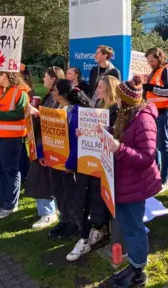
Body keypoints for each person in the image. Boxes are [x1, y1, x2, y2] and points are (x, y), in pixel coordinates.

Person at [105, 75, 162, 287]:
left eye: (119, 97)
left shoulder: (143, 120)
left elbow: (147, 158)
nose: (115, 100)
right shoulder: (126, 115)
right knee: (128, 225)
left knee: (134, 227)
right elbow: (119, 134)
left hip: (135, 184)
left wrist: (119, 149)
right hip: (123, 182)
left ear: (126, 100)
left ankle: (138, 273)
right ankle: (134, 265)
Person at [67, 78, 118, 262]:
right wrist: (82, 132)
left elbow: (118, 134)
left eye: (100, 87)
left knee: (98, 196)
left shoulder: (115, 110)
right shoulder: (95, 105)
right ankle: (85, 235)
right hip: (88, 158)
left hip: (104, 162)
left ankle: (97, 229)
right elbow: (89, 129)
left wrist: (107, 130)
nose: (96, 90)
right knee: (83, 195)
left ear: (109, 90)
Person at [0, 71, 29, 219]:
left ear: (5, 75)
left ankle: (11, 203)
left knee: (10, 170)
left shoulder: (20, 93)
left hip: (11, 138)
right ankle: (1, 201)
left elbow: (19, 114)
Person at [25, 67, 64, 229]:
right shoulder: (50, 94)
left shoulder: (57, 96)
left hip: (51, 144)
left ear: (54, 78)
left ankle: (49, 212)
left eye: (46, 77)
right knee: (41, 177)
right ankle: (46, 210)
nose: (43, 79)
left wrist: (37, 114)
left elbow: (55, 119)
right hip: (43, 142)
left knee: (44, 179)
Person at [47, 79, 85, 239]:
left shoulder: (75, 112)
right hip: (54, 159)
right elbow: (48, 132)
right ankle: (64, 218)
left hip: (67, 162)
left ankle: (75, 223)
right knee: (58, 190)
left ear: (62, 95)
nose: (51, 92)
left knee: (70, 192)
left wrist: (71, 163)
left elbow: (76, 141)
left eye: (54, 90)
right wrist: (44, 153)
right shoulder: (56, 108)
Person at [143, 47, 168, 188]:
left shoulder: (166, 69)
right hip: (155, 112)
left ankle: (164, 178)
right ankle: (157, 175)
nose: (150, 63)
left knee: (163, 146)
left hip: (163, 111)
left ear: (159, 57)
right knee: (156, 146)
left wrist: (150, 88)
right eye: (149, 62)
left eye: (152, 60)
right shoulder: (157, 69)